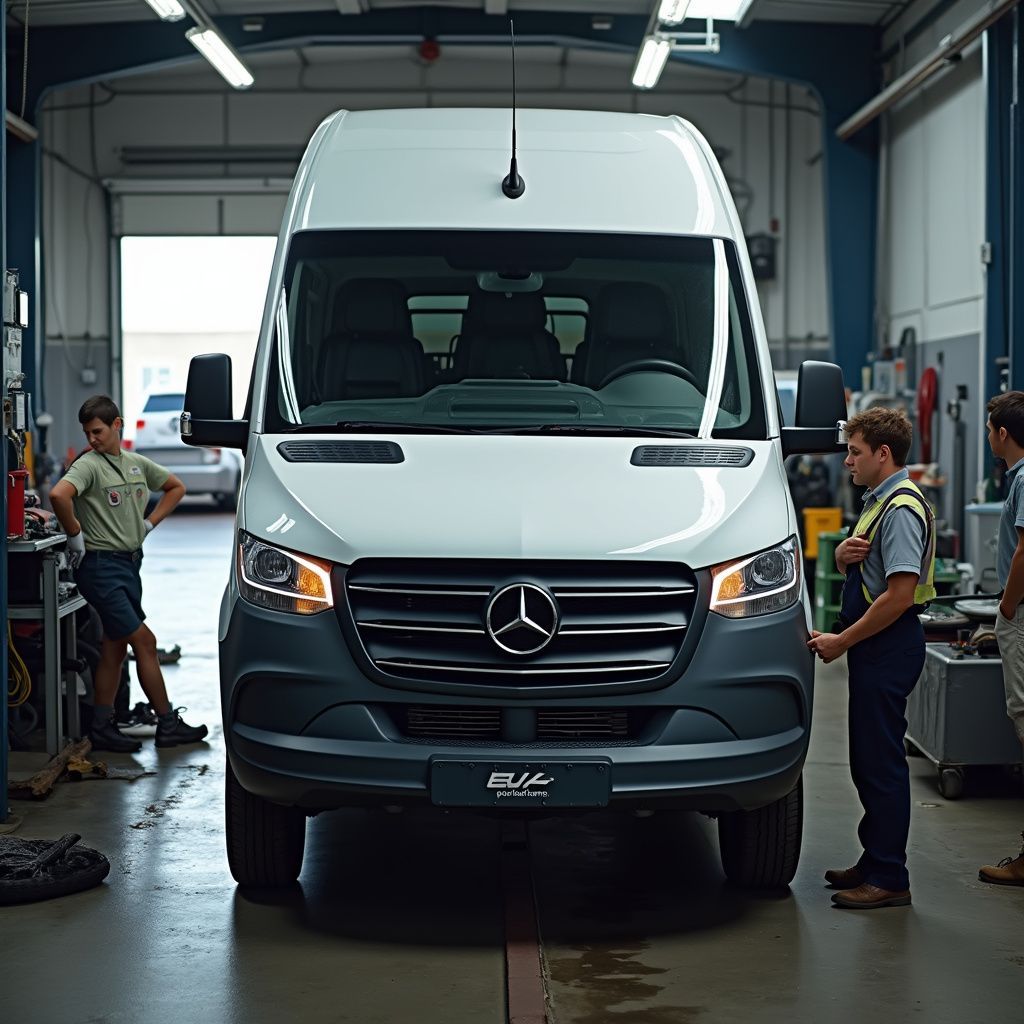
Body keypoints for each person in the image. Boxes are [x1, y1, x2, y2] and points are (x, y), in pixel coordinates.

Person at [807, 407, 936, 909]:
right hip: (877, 644)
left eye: (855, 452)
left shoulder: (900, 506)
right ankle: (875, 855)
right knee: (867, 759)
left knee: (881, 765)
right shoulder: (879, 500)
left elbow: (899, 596)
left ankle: (889, 877)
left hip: (888, 645)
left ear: (883, 454)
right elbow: (872, 571)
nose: (847, 462)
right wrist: (841, 557)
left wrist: (843, 642)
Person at [48, 395, 209, 753]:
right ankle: (167, 724)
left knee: (114, 648)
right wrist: (74, 535)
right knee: (145, 642)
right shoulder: (88, 465)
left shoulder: (135, 465)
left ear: (117, 425)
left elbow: (175, 487)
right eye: (88, 433)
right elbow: (59, 495)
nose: (92, 439)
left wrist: (149, 523)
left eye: (98, 431)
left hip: (128, 566)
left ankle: (102, 725)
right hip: (101, 569)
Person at [978, 391, 1024, 885]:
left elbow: (1022, 555)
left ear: (1002, 434)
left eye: (991, 429)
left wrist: (1007, 608)